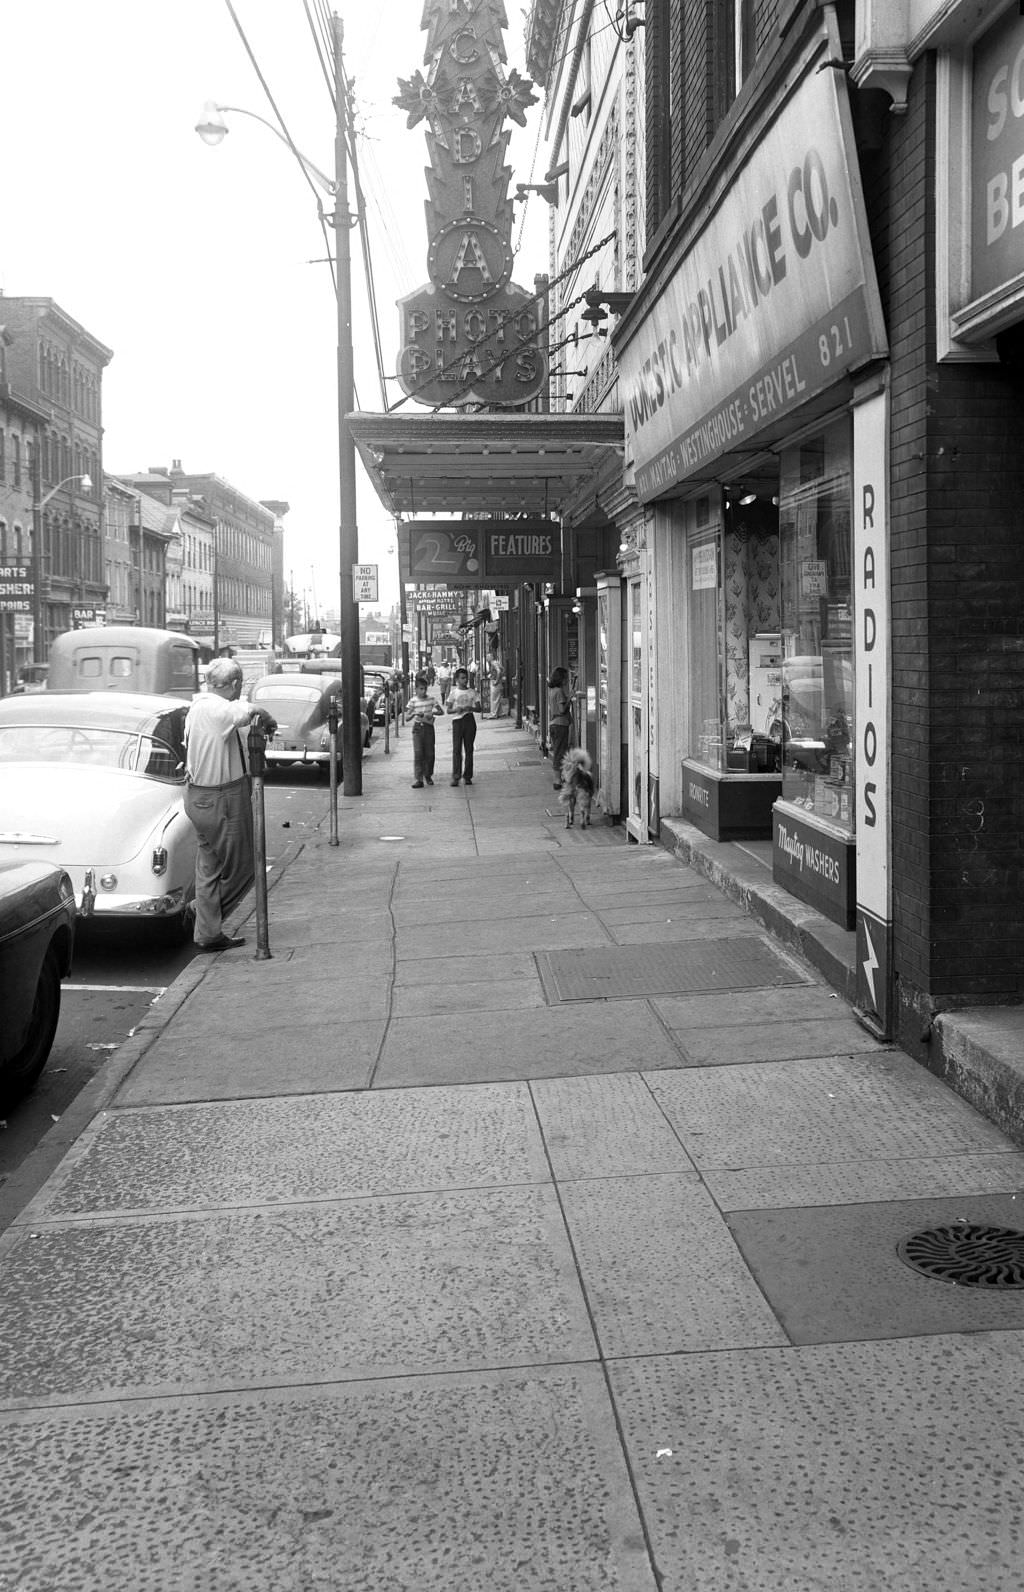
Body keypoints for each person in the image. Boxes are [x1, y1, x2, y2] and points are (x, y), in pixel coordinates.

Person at [183, 657, 277, 951]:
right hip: (222, 797)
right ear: (235, 684)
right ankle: (204, 915)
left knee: (209, 866)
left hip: (197, 796)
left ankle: (208, 935)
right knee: (246, 867)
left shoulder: (196, 707)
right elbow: (252, 710)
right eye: (240, 685)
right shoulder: (219, 709)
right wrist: (270, 721)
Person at [404, 674, 443, 787]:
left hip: (429, 727)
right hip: (417, 728)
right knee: (418, 753)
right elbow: (407, 717)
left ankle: (428, 774)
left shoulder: (431, 699)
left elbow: (441, 711)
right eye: (421, 688)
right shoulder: (413, 701)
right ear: (416, 689)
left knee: (430, 753)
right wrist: (415, 713)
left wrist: (433, 713)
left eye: (425, 688)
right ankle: (419, 778)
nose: (423, 691)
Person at [446, 665, 480, 785]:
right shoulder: (453, 693)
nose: (465, 680)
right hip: (457, 721)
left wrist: (470, 708)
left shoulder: (472, 692)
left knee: (469, 749)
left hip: (469, 720)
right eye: (462, 678)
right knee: (456, 749)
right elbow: (448, 710)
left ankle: (467, 776)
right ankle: (456, 776)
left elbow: (479, 708)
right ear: (457, 679)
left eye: (466, 678)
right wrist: (457, 709)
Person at [547, 666, 573, 788]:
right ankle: (557, 780)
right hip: (561, 724)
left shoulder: (552, 691)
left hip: (553, 724)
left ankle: (560, 778)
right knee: (560, 752)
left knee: (558, 751)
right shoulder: (559, 692)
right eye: (566, 678)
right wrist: (569, 699)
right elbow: (562, 709)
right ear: (561, 679)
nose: (567, 680)